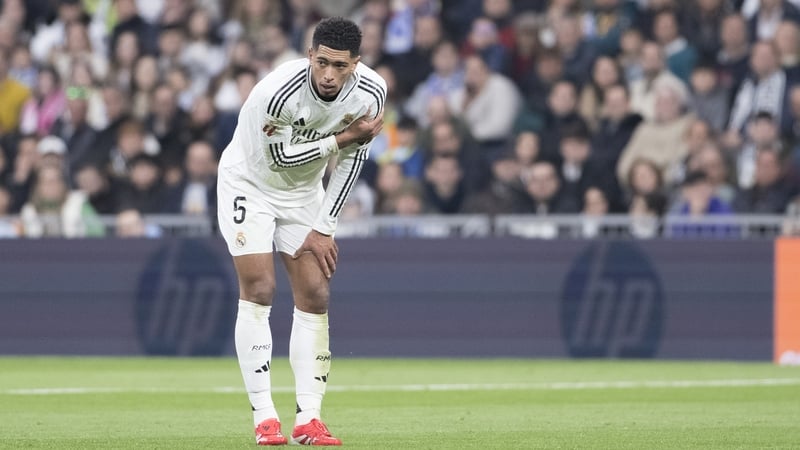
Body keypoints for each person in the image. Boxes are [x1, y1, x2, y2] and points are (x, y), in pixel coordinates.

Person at [216, 17, 385, 446]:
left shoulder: (372, 92)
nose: (328, 74)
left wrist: (325, 228)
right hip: (250, 182)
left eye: (340, 66)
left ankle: (309, 418)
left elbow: (353, 161)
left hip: (304, 192)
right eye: (322, 62)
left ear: (355, 64)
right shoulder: (278, 92)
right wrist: (341, 139)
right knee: (259, 287)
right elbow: (281, 160)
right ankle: (264, 417)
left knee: (315, 293)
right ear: (310, 55)